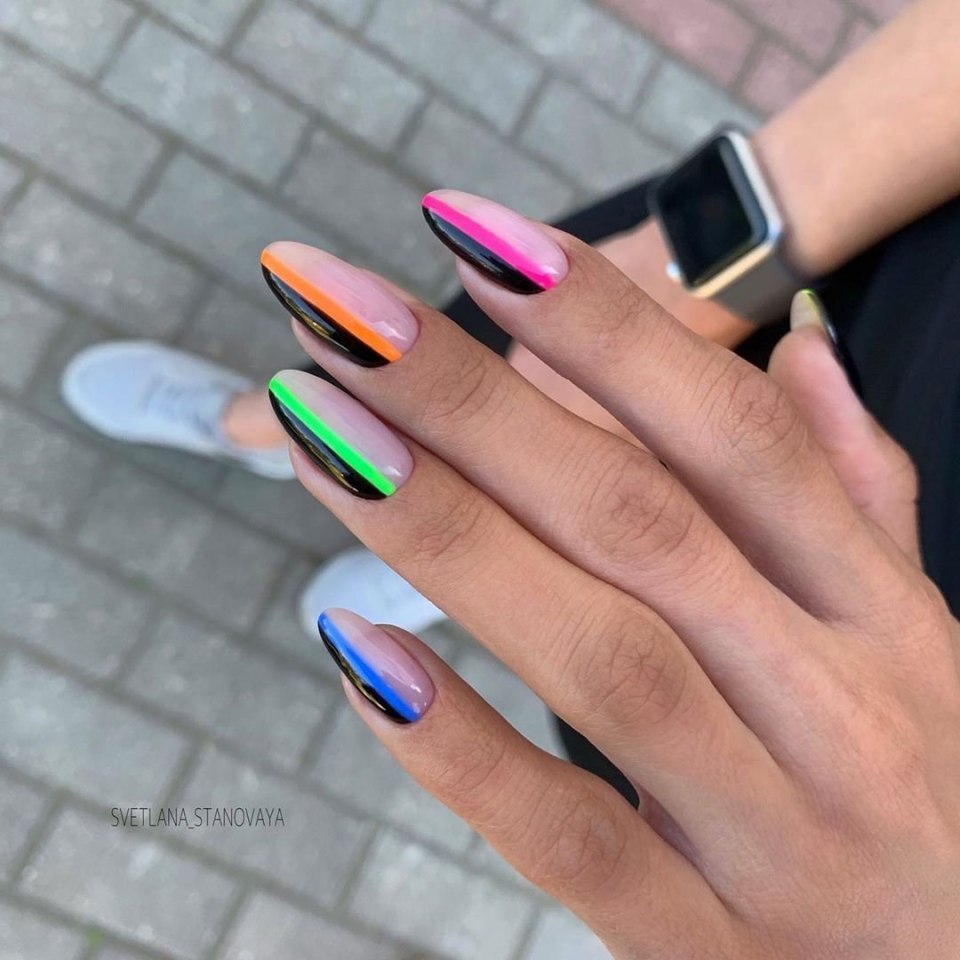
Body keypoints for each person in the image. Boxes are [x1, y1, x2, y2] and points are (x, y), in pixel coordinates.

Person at [64, 0, 960, 951]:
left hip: (845, 813)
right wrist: (717, 247)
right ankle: (262, 430)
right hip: (866, 273)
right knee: (446, 382)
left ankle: (446, 566)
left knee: (623, 663)